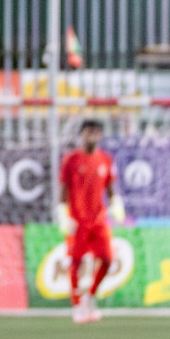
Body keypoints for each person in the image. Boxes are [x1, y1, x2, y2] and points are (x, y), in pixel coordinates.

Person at [57, 119, 124, 324]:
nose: (92, 135)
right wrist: (63, 214)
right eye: (88, 131)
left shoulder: (105, 159)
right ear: (81, 134)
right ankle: (77, 305)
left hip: (98, 221)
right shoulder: (71, 160)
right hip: (78, 221)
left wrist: (116, 204)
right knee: (75, 263)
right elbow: (63, 192)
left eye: (96, 131)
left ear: (100, 135)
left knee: (106, 260)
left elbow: (110, 189)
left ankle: (90, 296)